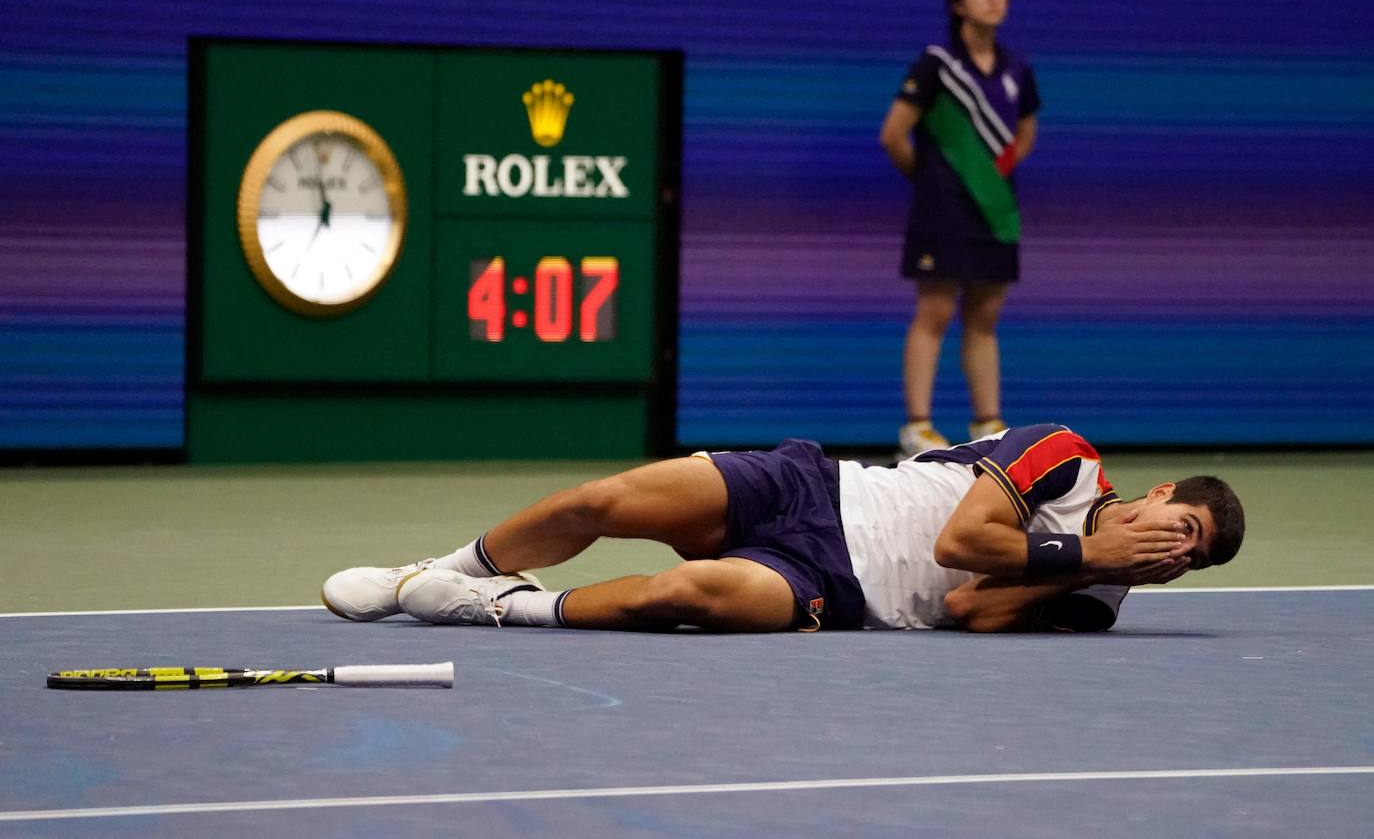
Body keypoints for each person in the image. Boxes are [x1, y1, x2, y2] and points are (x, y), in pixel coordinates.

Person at [321, 423, 1245, 634]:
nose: (1177, 548)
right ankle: (439, 568)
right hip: (808, 486)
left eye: (1191, 557)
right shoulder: (1067, 457)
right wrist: (1087, 545)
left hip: (837, 590)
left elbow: (969, 606)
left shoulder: (1098, 602)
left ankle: (502, 605)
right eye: (1184, 525)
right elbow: (960, 539)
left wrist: (1089, 573)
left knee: (690, 592)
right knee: (600, 502)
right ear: (1161, 491)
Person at [879, 0, 1041, 456]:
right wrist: (933, 184)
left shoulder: (1017, 69)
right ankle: (918, 428)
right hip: (941, 214)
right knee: (934, 312)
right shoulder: (937, 65)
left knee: (985, 319)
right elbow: (893, 135)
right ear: (958, 2)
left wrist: (988, 182)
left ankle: (987, 425)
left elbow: (1025, 134)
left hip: (995, 212)